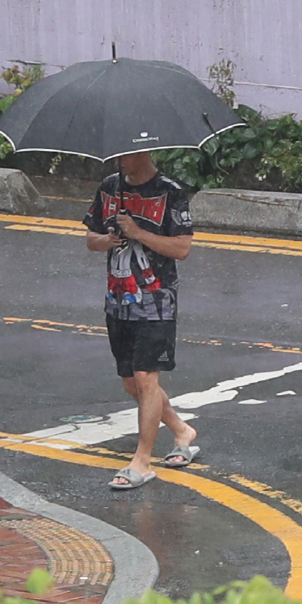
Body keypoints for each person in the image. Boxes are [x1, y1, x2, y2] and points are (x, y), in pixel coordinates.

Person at [84, 151, 199, 489]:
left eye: (125, 154)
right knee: (131, 383)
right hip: (118, 302)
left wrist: (137, 231)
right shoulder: (109, 188)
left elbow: (182, 248)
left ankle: (142, 461)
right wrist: (108, 239)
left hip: (156, 301)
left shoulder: (171, 192)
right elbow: (90, 239)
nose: (118, 159)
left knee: (146, 378)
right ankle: (181, 430)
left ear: (144, 151)